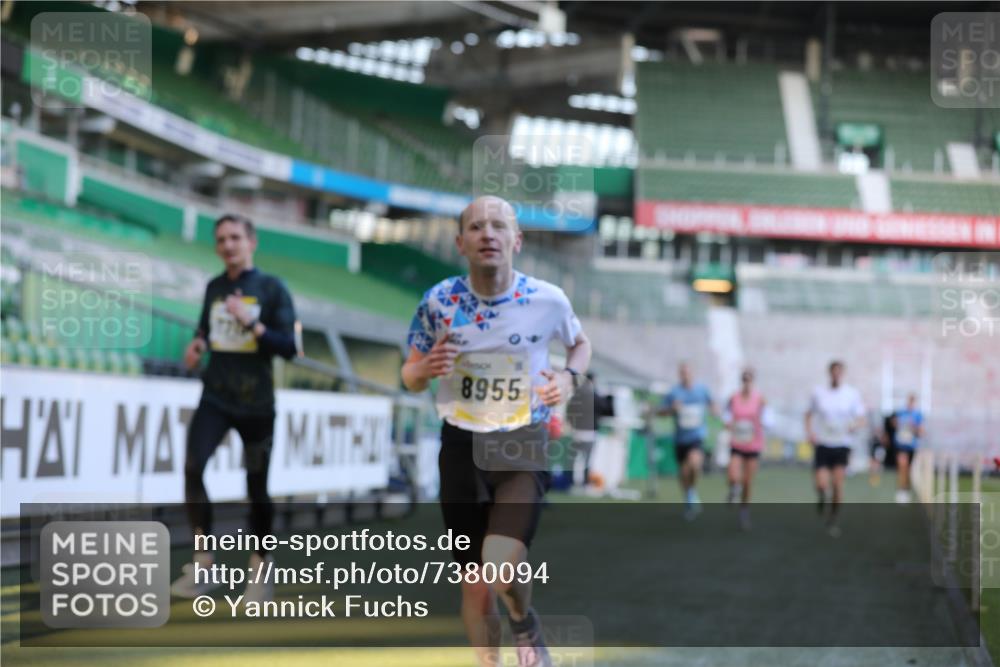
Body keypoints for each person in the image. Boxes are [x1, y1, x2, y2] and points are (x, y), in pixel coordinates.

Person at [401, 195, 591, 667]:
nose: (489, 234)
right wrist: (425, 367)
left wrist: (568, 379)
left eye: (499, 226)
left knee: (502, 564)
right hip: (460, 448)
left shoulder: (547, 300)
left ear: (516, 241)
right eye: (478, 226)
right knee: (475, 584)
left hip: (520, 443)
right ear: (460, 242)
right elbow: (409, 374)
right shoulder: (438, 301)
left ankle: (525, 624)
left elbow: (580, 344)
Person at [170, 214, 298, 603]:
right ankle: (203, 563)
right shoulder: (213, 288)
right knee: (193, 467)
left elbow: (290, 348)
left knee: (255, 485)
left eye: (235, 237)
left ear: (251, 241)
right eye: (221, 239)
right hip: (216, 398)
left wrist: (253, 325)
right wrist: (197, 347)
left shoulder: (272, 289)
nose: (228, 245)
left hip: (257, 404)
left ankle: (260, 567)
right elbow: (204, 332)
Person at [805, 360, 866, 537]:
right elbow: (808, 414)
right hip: (823, 443)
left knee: (838, 484)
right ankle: (823, 497)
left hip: (842, 444)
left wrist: (855, 425)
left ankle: (833, 518)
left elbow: (862, 418)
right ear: (829, 373)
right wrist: (810, 433)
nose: (836, 375)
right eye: (834, 371)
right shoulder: (819, 393)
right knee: (822, 484)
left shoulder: (851, 394)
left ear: (843, 374)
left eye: (840, 372)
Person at [661, 362, 718, 520]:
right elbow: (662, 411)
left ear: (693, 373)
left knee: (694, 464)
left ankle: (691, 493)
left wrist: (714, 410)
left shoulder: (701, 390)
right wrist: (671, 409)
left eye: (688, 372)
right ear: (680, 374)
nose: (685, 375)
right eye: (682, 373)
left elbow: (713, 404)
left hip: (696, 437)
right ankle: (689, 496)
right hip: (680, 439)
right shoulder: (674, 392)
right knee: (684, 473)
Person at [725, 367, 766, 530]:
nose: (746, 382)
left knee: (748, 481)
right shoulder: (734, 398)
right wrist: (728, 423)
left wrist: (763, 422)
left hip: (753, 444)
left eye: (749, 378)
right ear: (741, 380)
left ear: (753, 380)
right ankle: (733, 489)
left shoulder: (760, 399)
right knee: (734, 475)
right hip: (737, 442)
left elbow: (768, 418)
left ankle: (744, 510)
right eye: (744, 378)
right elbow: (727, 415)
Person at [890, 393, 924, 504]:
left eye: (912, 401)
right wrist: (896, 424)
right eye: (909, 401)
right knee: (902, 466)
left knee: (908, 469)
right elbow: (893, 424)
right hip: (901, 444)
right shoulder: (900, 412)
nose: (910, 403)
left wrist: (913, 427)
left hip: (911, 445)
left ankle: (906, 488)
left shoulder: (918, 415)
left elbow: (921, 432)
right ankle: (901, 490)